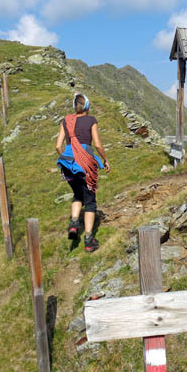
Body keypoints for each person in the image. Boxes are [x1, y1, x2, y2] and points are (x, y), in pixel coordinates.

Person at [55, 92, 111, 252]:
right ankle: (88, 240)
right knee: (90, 201)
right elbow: (98, 145)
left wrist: (67, 159)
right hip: (84, 164)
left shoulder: (66, 120)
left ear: (75, 106)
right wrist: (105, 159)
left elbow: (58, 146)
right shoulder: (91, 120)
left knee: (78, 195)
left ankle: (73, 224)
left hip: (68, 163)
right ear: (87, 106)